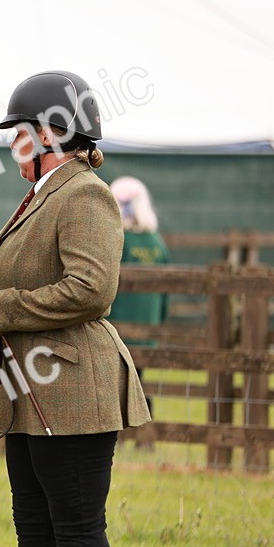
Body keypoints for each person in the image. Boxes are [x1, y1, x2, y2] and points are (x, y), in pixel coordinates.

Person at [0, 70, 150, 547]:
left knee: (75, 526)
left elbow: (92, 291)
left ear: (52, 133)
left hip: (75, 388)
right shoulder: (42, 193)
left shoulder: (85, 195)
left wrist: (5, 306)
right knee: (33, 525)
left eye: (20, 133)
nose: (14, 145)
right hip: (28, 391)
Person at [107, 176, 171, 418]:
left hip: (117, 328)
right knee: (139, 380)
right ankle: (145, 432)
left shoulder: (116, 241)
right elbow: (166, 292)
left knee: (117, 384)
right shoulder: (157, 243)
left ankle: (126, 433)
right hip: (149, 327)